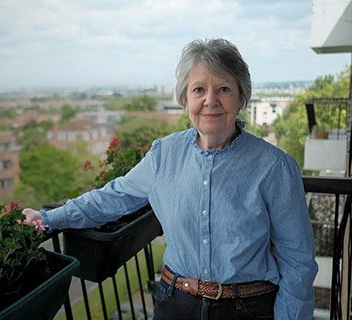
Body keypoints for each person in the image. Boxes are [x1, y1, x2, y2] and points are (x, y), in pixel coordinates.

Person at [22, 38, 318, 319]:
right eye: (199, 89)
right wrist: (50, 219)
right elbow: (112, 198)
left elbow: (298, 262)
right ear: (185, 98)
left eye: (224, 89)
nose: (210, 100)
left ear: (241, 97)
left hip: (249, 309)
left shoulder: (275, 167)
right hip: (175, 305)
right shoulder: (164, 155)